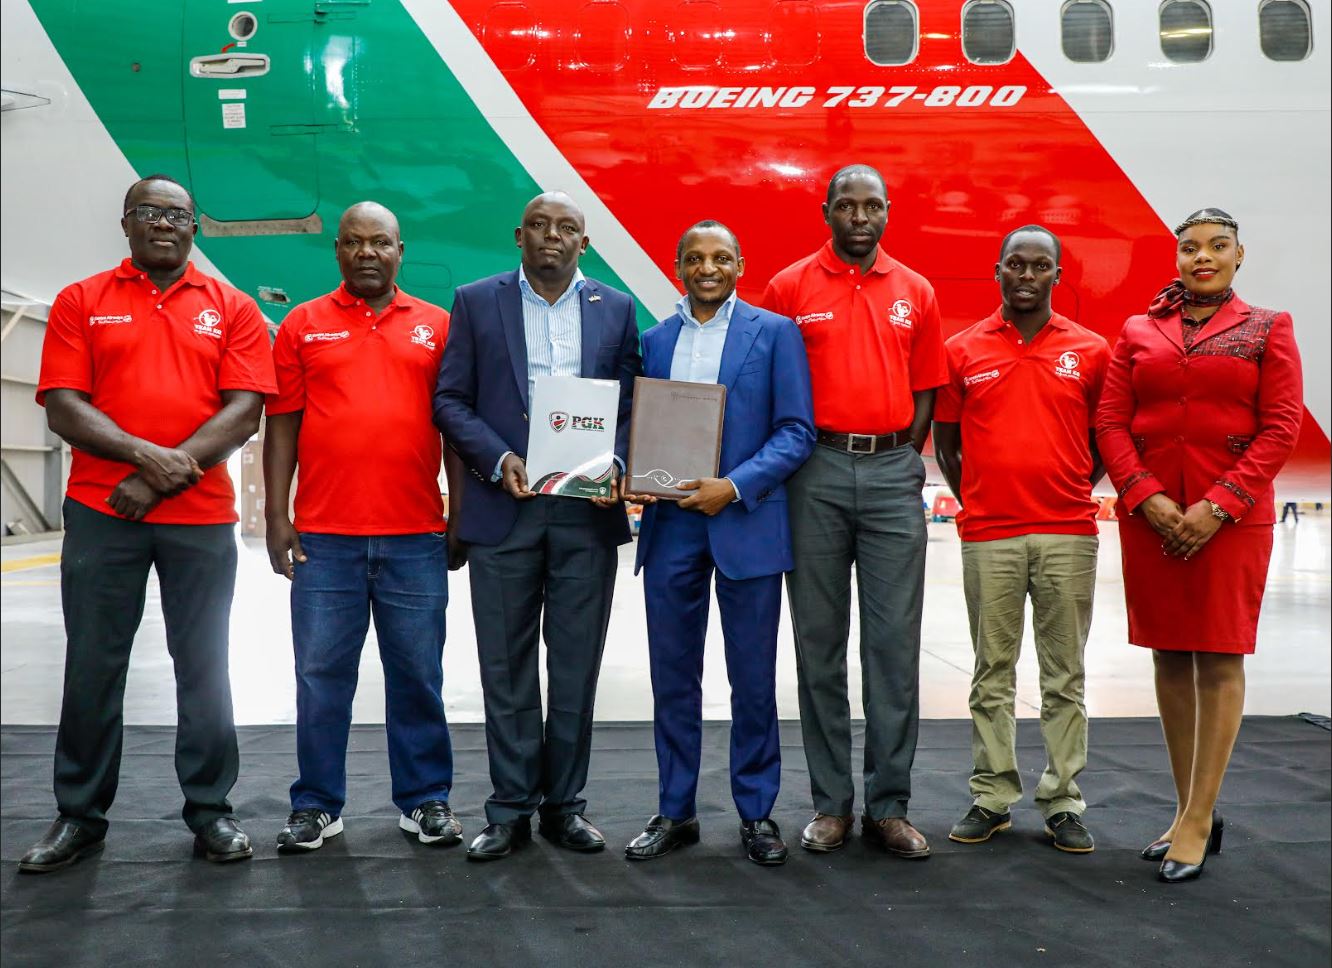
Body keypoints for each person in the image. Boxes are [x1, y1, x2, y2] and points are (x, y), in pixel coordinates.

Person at [20, 175, 276, 872]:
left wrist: (154, 477)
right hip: (103, 514)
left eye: (178, 214)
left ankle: (210, 812)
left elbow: (243, 410)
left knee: (204, 668)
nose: (165, 223)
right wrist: (139, 458)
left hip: (198, 519)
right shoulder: (81, 301)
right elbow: (63, 406)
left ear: (196, 227)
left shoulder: (232, 307)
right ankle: (80, 816)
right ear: (127, 223)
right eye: (150, 213)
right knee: (93, 666)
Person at [1096, 208, 1303, 883]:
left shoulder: (1268, 327)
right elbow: (1111, 420)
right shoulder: (1137, 329)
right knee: (1167, 655)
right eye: (1190, 248)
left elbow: (1280, 427)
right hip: (1153, 518)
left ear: (1240, 256)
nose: (1203, 258)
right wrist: (1145, 494)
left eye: (1218, 247)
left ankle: (1197, 818)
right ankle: (1189, 810)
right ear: (1176, 257)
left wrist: (1217, 506)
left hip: (1230, 522)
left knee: (1216, 658)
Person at [433, 191, 641, 861]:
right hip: (506, 509)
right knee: (507, 667)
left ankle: (565, 807)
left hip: (586, 513)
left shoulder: (615, 309)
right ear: (518, 235)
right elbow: (450, 399)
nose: (554, 237)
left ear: (585, 242)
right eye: (542, 226)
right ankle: (510, 807)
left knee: (576, 668)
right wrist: (498, 459)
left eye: (569, 229)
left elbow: (632, 403)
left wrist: (616, 460)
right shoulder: (476, 301)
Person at [263, 202, 462, 853]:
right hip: (325, 539)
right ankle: (318, 804)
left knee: (418, 674)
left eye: (381, 243)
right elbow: (283, 424)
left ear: (401, 250)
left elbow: (455, 430)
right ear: (338, 251)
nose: (367, 253)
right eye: (354, 243)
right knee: (321, 676)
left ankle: (426, 800)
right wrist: (275, 514)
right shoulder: (302, 324)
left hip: (415, 538)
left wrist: (460, 511)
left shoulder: (437, 327)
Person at [761, 164, 947, 858]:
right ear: (827, 211)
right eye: (848, 205)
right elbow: (772, 382)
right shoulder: (789, 288)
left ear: (888, 213)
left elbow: (926, 386)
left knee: (893, 648)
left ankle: (890, 806)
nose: (860, 217)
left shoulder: (916, 291)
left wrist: (902, 453)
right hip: (815, 472)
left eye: (873, 206)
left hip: (893, 471)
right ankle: (832, 804)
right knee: (819, 644)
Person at [622, 222, 815, 866]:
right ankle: (675, 811)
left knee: (753, 680)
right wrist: (632, 472)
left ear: (740, 265)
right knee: (673, 679)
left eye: (721, 257)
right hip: (671, 529)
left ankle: (756, 813)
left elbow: (795, 432)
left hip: (747, 524)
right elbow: (635, 427)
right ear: (677, 265)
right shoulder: (654, 340)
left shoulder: (775, 333)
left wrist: (732, 487)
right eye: (695, 258)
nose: (708, 267)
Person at [933, 226, 1109, 853]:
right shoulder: (961, 350)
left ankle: (1063, 800)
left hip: (1068, 533)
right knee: (992, 673)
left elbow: (1104, 440)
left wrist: (1067, 485)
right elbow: (947, 440)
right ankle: (992, 795)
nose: (1027, 275)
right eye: (1016, 265)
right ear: (998, 272)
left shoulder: (1091, 350)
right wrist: (977, 495)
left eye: (1040, 266)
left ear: (1057, 275)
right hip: (989, 535)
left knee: (1065, 676)